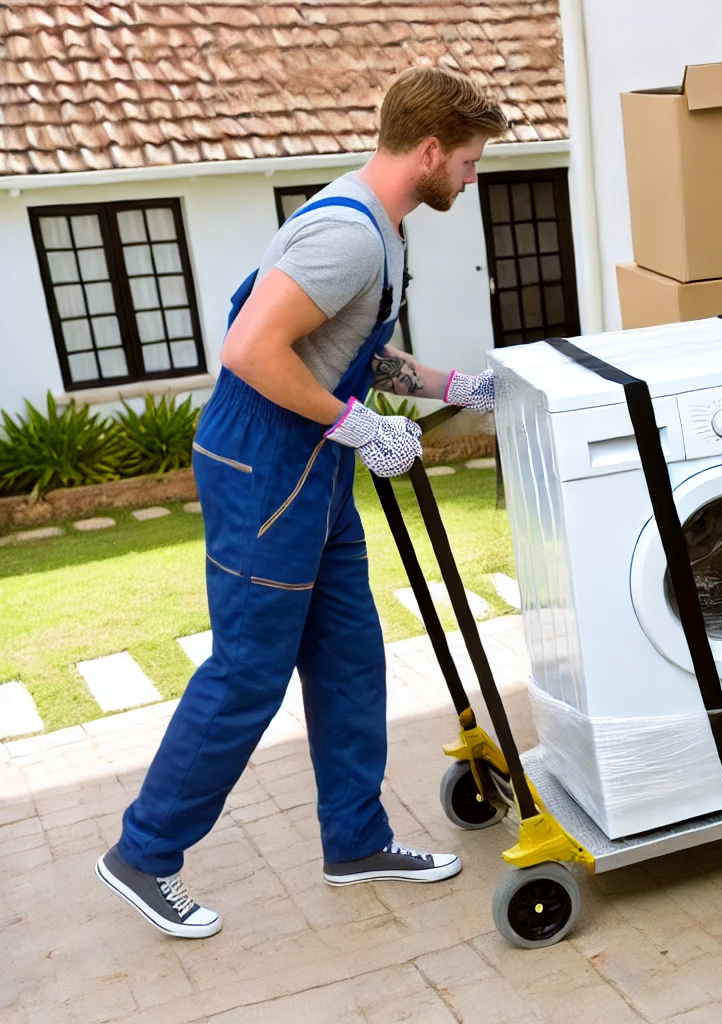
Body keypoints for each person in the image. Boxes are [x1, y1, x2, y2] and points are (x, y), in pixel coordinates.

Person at [98, 66, 509, 938]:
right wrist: (359, 428)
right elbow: (251, 348)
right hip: (264, 466)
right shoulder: (350, 234)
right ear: (429, 150)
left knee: (351, 657)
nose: (471, 182)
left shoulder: (383, 226)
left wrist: (451, 384)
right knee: (249, 672)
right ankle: (144, 853)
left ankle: (355, 841)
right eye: (468, 164)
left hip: (312, 467)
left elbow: (348, 348)